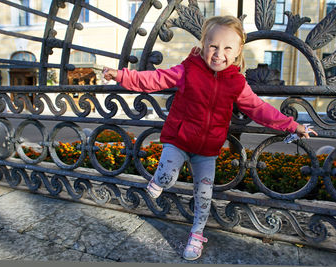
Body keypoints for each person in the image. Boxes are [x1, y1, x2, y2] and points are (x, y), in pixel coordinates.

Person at [103, 15, 317, 261]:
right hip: (179, 139)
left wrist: (292, 126)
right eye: (213, 46)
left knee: (204, 196)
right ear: (204, 45)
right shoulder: (188, 69)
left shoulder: (236, 83)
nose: (219, 54)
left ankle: (196, 234)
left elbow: (259, 108)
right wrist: (121, 75)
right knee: (167, 177)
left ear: (237, 53)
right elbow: (154, 79)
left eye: (227, 48)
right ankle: (159, 181)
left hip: (207, 151)